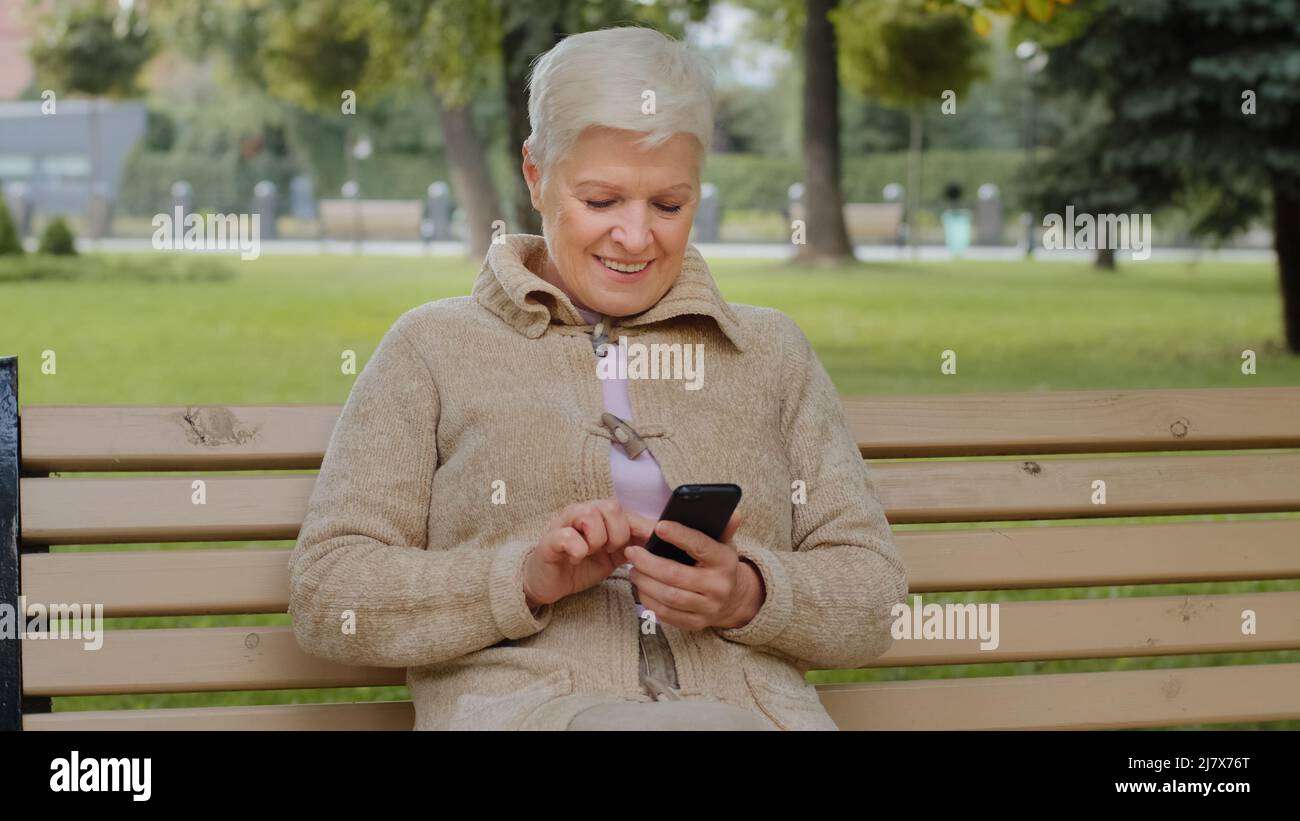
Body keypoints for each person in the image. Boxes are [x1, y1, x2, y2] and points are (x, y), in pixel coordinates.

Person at [288, 25, 909, 731]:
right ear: (535, 175)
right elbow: (328, 592)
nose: (637, 237)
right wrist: (520, 576)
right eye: (603, 201)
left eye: (668, 205)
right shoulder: (433, 347)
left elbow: (873, 596)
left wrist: (748, 593)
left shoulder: (770, 352)